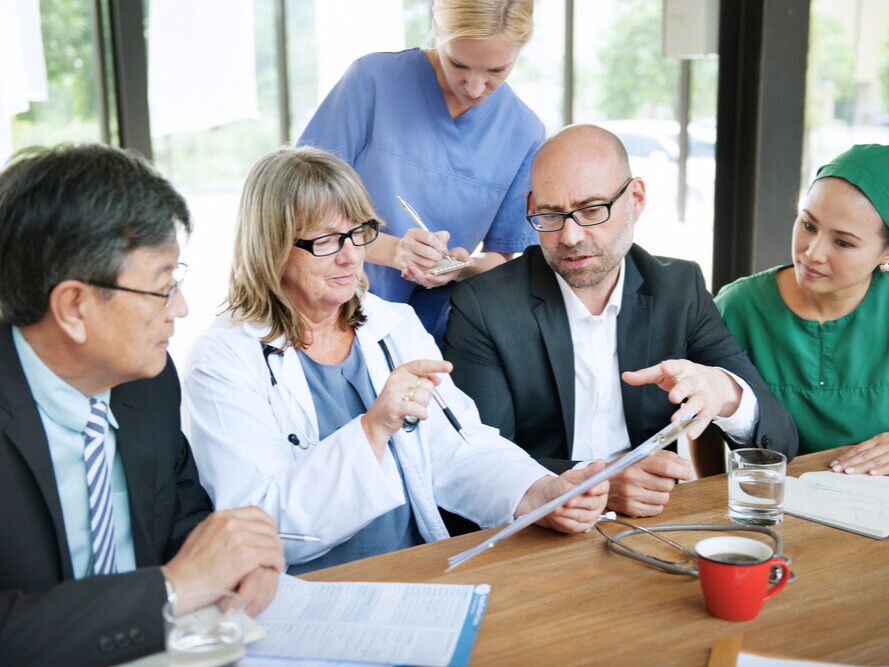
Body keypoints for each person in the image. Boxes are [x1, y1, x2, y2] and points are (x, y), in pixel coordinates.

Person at [183, 145, 609, 574]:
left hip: (412, 573)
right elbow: (261, 527)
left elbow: (458, 448)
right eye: (326, 240)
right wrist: (373, 429)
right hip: (306, 589)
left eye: (359, 232)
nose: (351, 255)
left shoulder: (395, 326)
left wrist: (539, 493)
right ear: (271, 246)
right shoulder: (223, 359)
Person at [0, 144, 285, 666]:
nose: (182, 309)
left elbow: (181, 520)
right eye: (163, 287)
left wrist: (239, 562)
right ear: (74, 306)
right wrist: (175, 586)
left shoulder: (147, 383)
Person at [444, 124, 798, 518]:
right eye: (550, 214)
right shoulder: (485, 305)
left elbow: (780, 443)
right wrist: (599, 483)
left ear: (636, 199)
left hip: (652, 522)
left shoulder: (679, 290)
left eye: (592, 210)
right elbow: (477, 460)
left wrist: (728, 393)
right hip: (535, 528)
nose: (570, 236)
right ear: (531, 208)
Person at [298, 0, 543, 345]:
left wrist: (460, 267)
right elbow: (299, 203)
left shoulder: (524, 131)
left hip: (433, 328)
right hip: (331, 305)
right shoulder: (373, 81)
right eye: (459, 64)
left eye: (496, 71)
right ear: (437, 30)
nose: (474, 88)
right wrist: (394, 251)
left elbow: (500, 256)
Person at [716, 144, 889, 474]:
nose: (812, 253)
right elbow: (702, 423)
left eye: (843, 242)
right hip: (770, 500)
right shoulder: (738, 307)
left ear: (886, 252)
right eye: (809, 225)